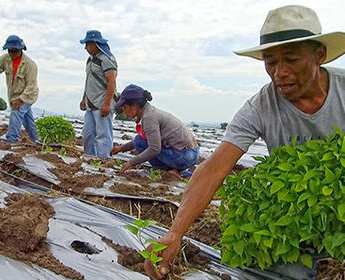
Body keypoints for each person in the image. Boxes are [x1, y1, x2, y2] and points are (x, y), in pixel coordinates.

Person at [144, 5, 345, 279]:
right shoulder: (261, 107)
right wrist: (176, 232)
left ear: (319, 55)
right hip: (302, 217)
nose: (279, 72)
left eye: (291, 59)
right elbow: (214, 168)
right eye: (271, 62)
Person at [111, 84, 199, 178]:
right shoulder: (149, 113)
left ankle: (173, 171)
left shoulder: (149, 118)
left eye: (124, 107)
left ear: (134, 106)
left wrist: (131, 162)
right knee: (140, 141)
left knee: (140, 142)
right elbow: (145, 139)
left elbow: (154, 149)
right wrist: (121, 148)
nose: (124, 110)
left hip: (186, 155)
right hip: (188, 153)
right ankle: (176, 172)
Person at [0, 34, 39, 143]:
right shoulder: (5, 59)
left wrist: (21, 100)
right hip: (14, 96)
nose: (11, 54)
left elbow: (31, 85)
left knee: (16, 112)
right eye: (9, 51)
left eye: (14, 51)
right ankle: (37, 140)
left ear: (20, 50)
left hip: (28, 95)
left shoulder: (30, 65)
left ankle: (12, 139)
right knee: (27, 120)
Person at [79, 30, 118, 159]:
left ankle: (104, 161)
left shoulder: (106, 59)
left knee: (103, 135)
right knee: (88, 134)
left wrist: (107, 104)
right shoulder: (90, 60)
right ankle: (90, 159)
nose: (86, 48)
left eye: (88, 44)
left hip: (102, 103)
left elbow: (111, 82)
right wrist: (84, 98)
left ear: (95, 44)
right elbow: (89, 81)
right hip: (91, 104)